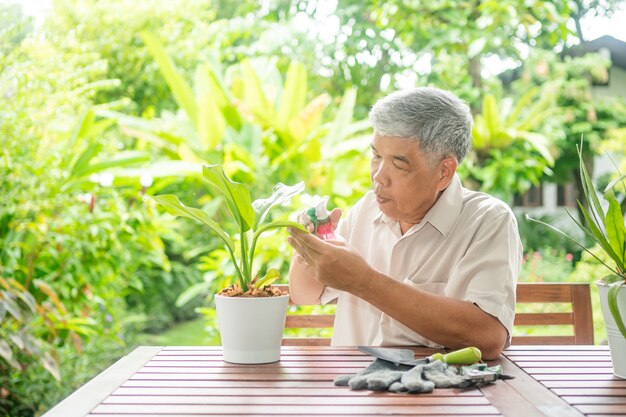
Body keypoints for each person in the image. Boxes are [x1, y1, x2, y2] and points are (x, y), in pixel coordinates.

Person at [287, 87, 522, 360]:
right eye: (376, 156)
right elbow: (303, 294)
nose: (378, 177)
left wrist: (363, 281)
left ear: (444, 171)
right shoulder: (366, 210)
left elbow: (488, 337)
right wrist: (310, 250)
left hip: (440, 395)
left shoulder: (488, 221)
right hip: (353, 391)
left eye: (399, 164)